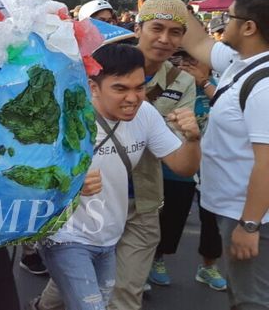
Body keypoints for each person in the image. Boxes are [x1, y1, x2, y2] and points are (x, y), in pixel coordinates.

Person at [32, 44, 202, 310]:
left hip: (109, 236)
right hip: (64, 236)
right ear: (94, 87)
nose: (133, 98)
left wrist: (193, 140)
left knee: (84, 296)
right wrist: (71, 183)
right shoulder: (65, 117)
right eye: (120, 88)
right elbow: (24, 178)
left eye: (139, 87)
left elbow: (183, 167)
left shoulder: (145, 114)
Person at [160, 0, 269, 309]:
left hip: (249, 215)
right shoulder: (241, 62)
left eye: (229, 17)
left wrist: (248, 225)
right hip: (233, 208)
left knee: (252, 300)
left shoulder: (264, 85)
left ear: (248, 27)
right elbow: (198, 40)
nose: (222, 22)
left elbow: (267, 163)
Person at [103, 0, 198, 310]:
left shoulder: (181, 80)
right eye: (157, 28)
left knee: (127, 295)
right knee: (75, 283)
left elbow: (175, 149)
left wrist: (191, 136)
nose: (164, 39)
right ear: (139, 27)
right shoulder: (102, 62)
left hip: (141, 198)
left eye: (175, 32)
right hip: (93, 195)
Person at [148, 50, 226, 291]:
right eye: (181, 59)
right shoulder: (172, 83)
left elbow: (237, 113)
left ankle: (208, 266)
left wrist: (204, 83)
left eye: (193, 59)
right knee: (171, 215)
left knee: (212, 221)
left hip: (214, 166)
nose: (186, 64)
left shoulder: (221, 87)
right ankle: (157, 259)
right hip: (177, 164)